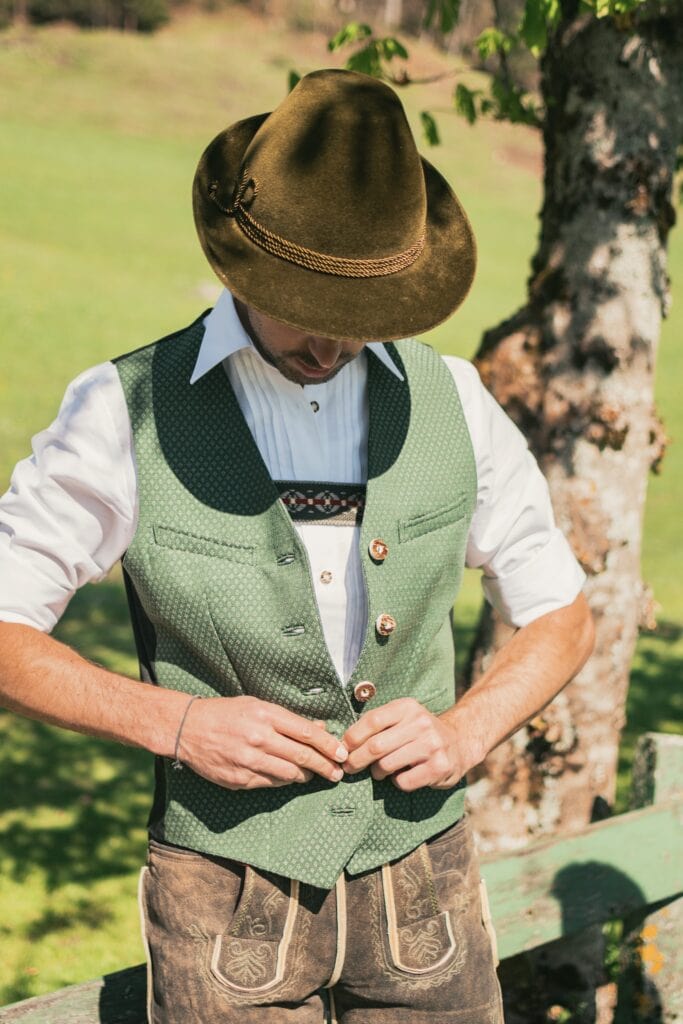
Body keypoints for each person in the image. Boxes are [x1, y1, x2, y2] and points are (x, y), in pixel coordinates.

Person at [0, 69, 594, 1023]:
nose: (329, 342)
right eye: (302, 303)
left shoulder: (456, 402)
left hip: (425, 877)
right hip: (224, 892)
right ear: (241, 266)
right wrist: (177, 725)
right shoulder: (125, 410)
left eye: (359, 316)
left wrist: (461, 732)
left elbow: (561, 615)